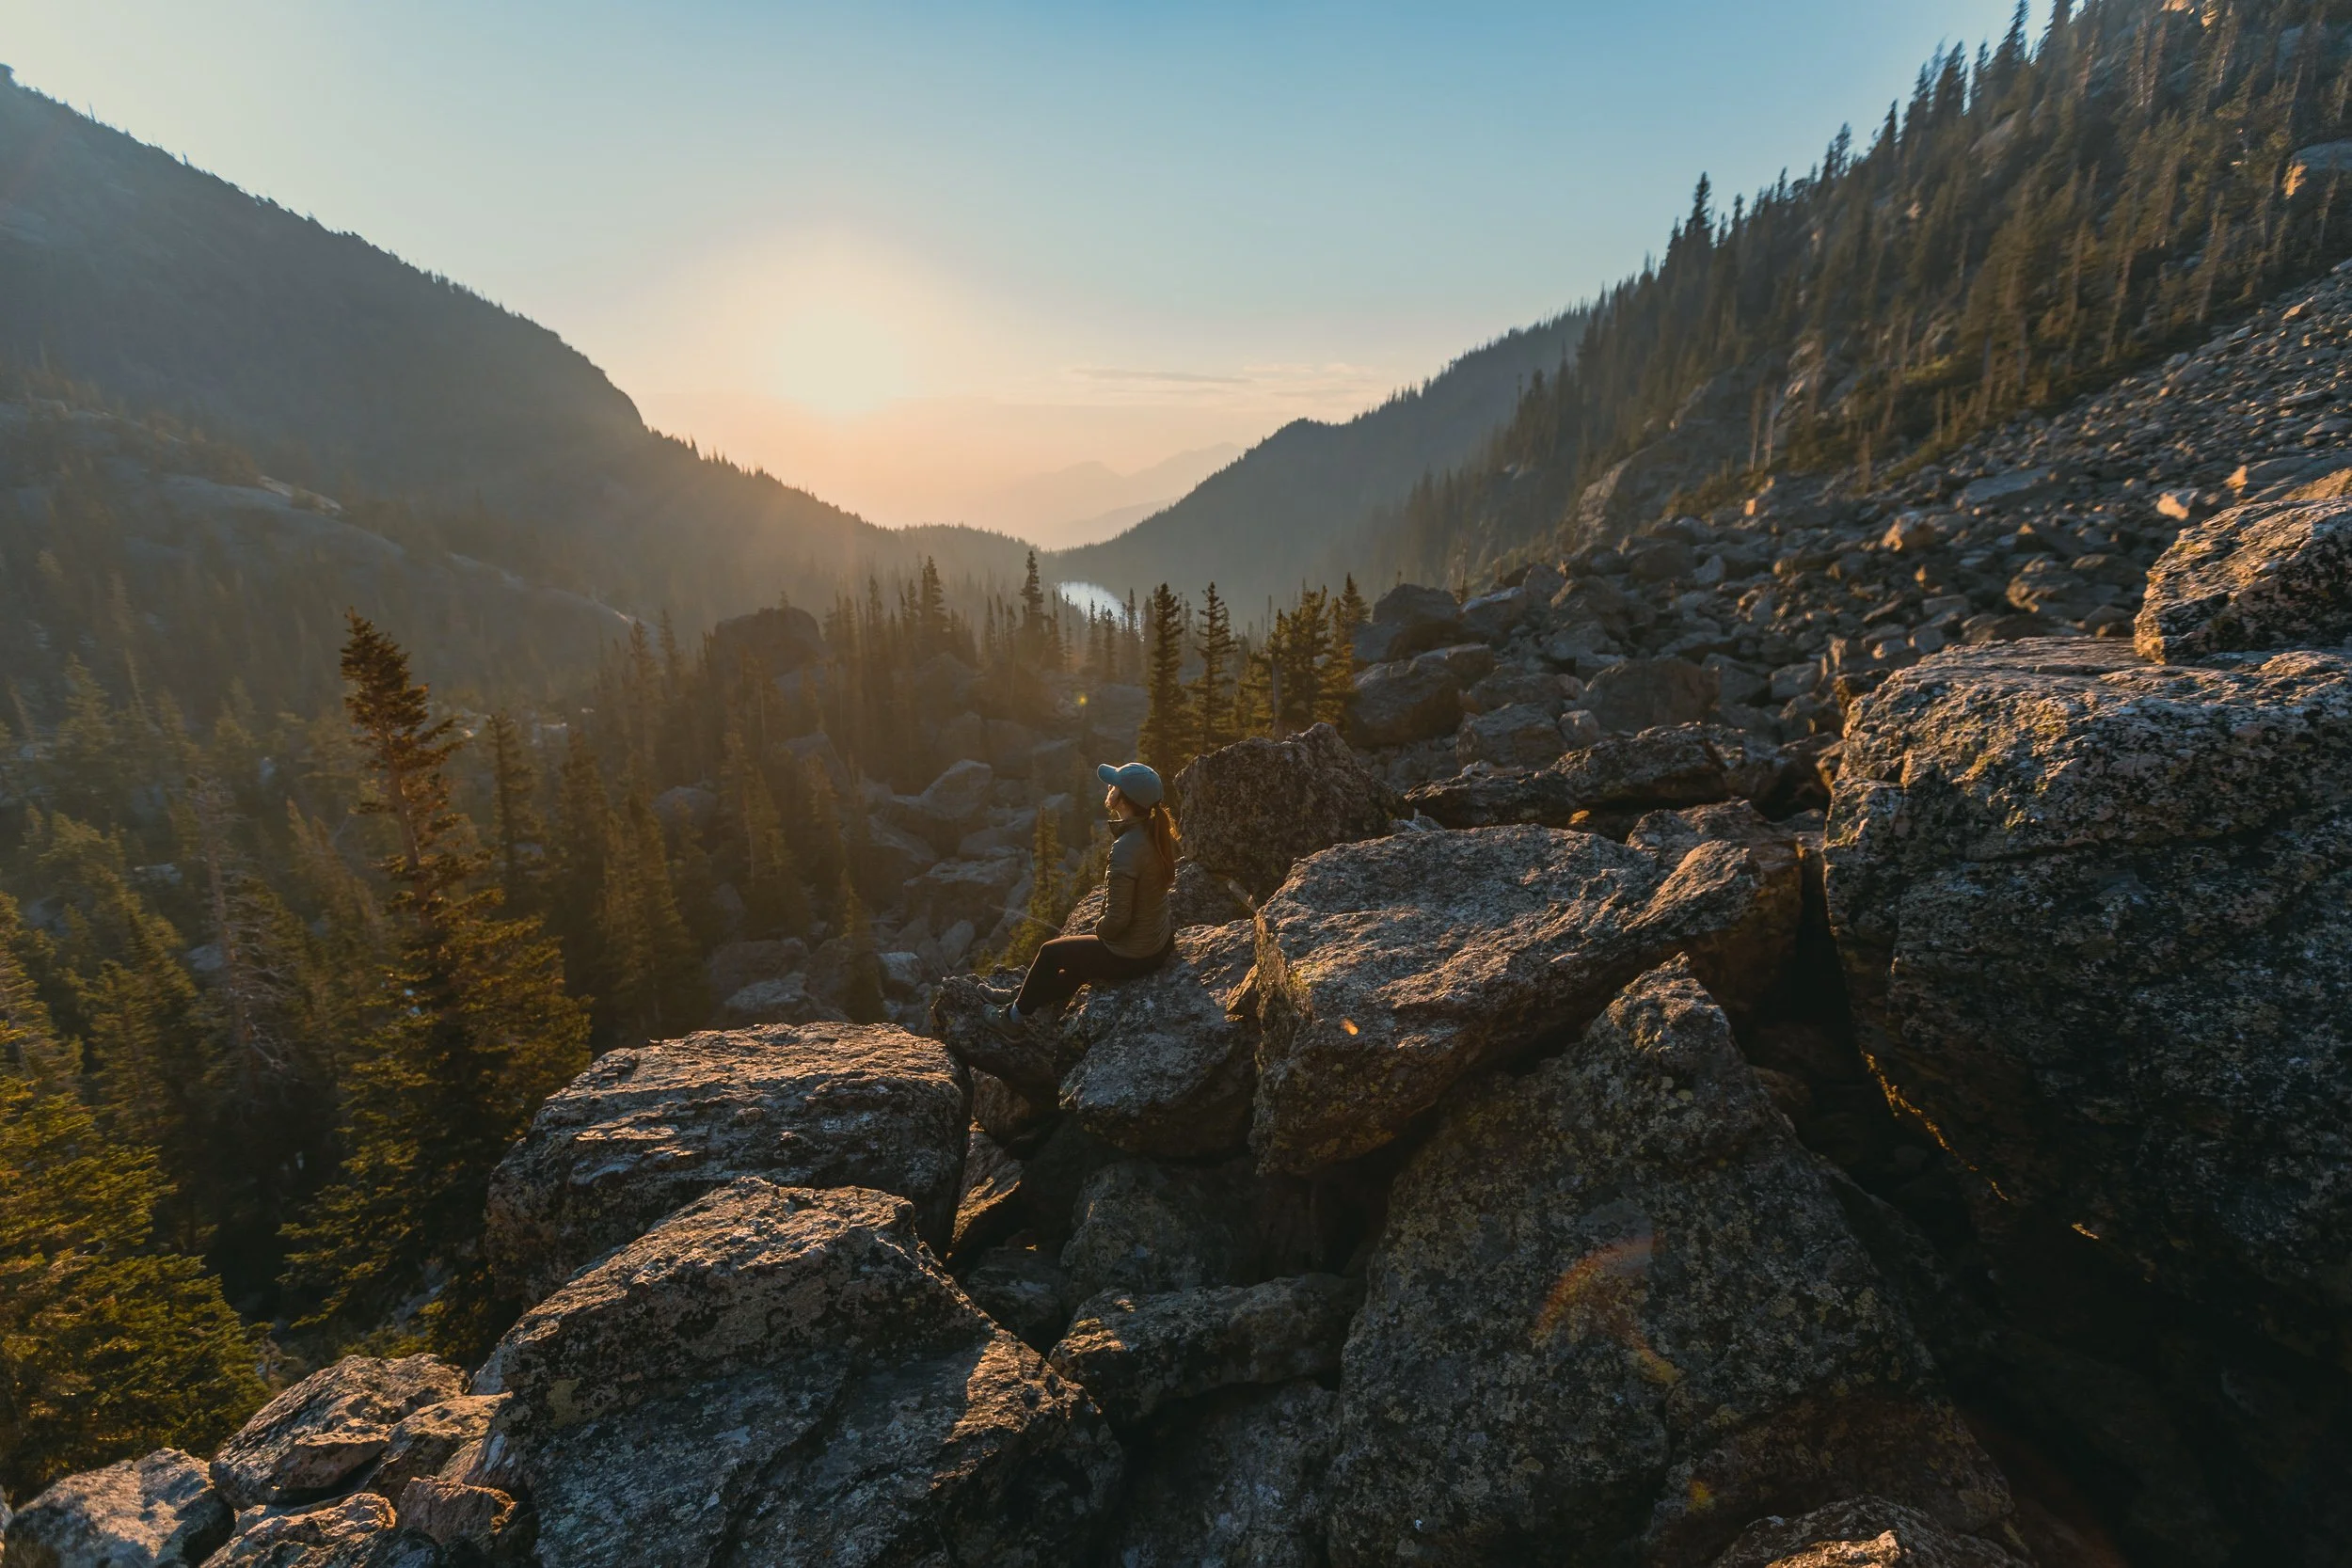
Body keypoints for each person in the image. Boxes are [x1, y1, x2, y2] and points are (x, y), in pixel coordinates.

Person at [995, 760, 1178, 1031]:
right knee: (1079, 963)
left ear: (1123, 800)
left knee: (1050, 953)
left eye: (1114, 785)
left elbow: (1117, 920)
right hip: (1158, 945)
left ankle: (1012, 1020)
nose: (1110, 787)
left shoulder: (1127, 848)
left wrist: (1099, 931)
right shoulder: (1156, 833)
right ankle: (1021, 998)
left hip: (1135, 956)